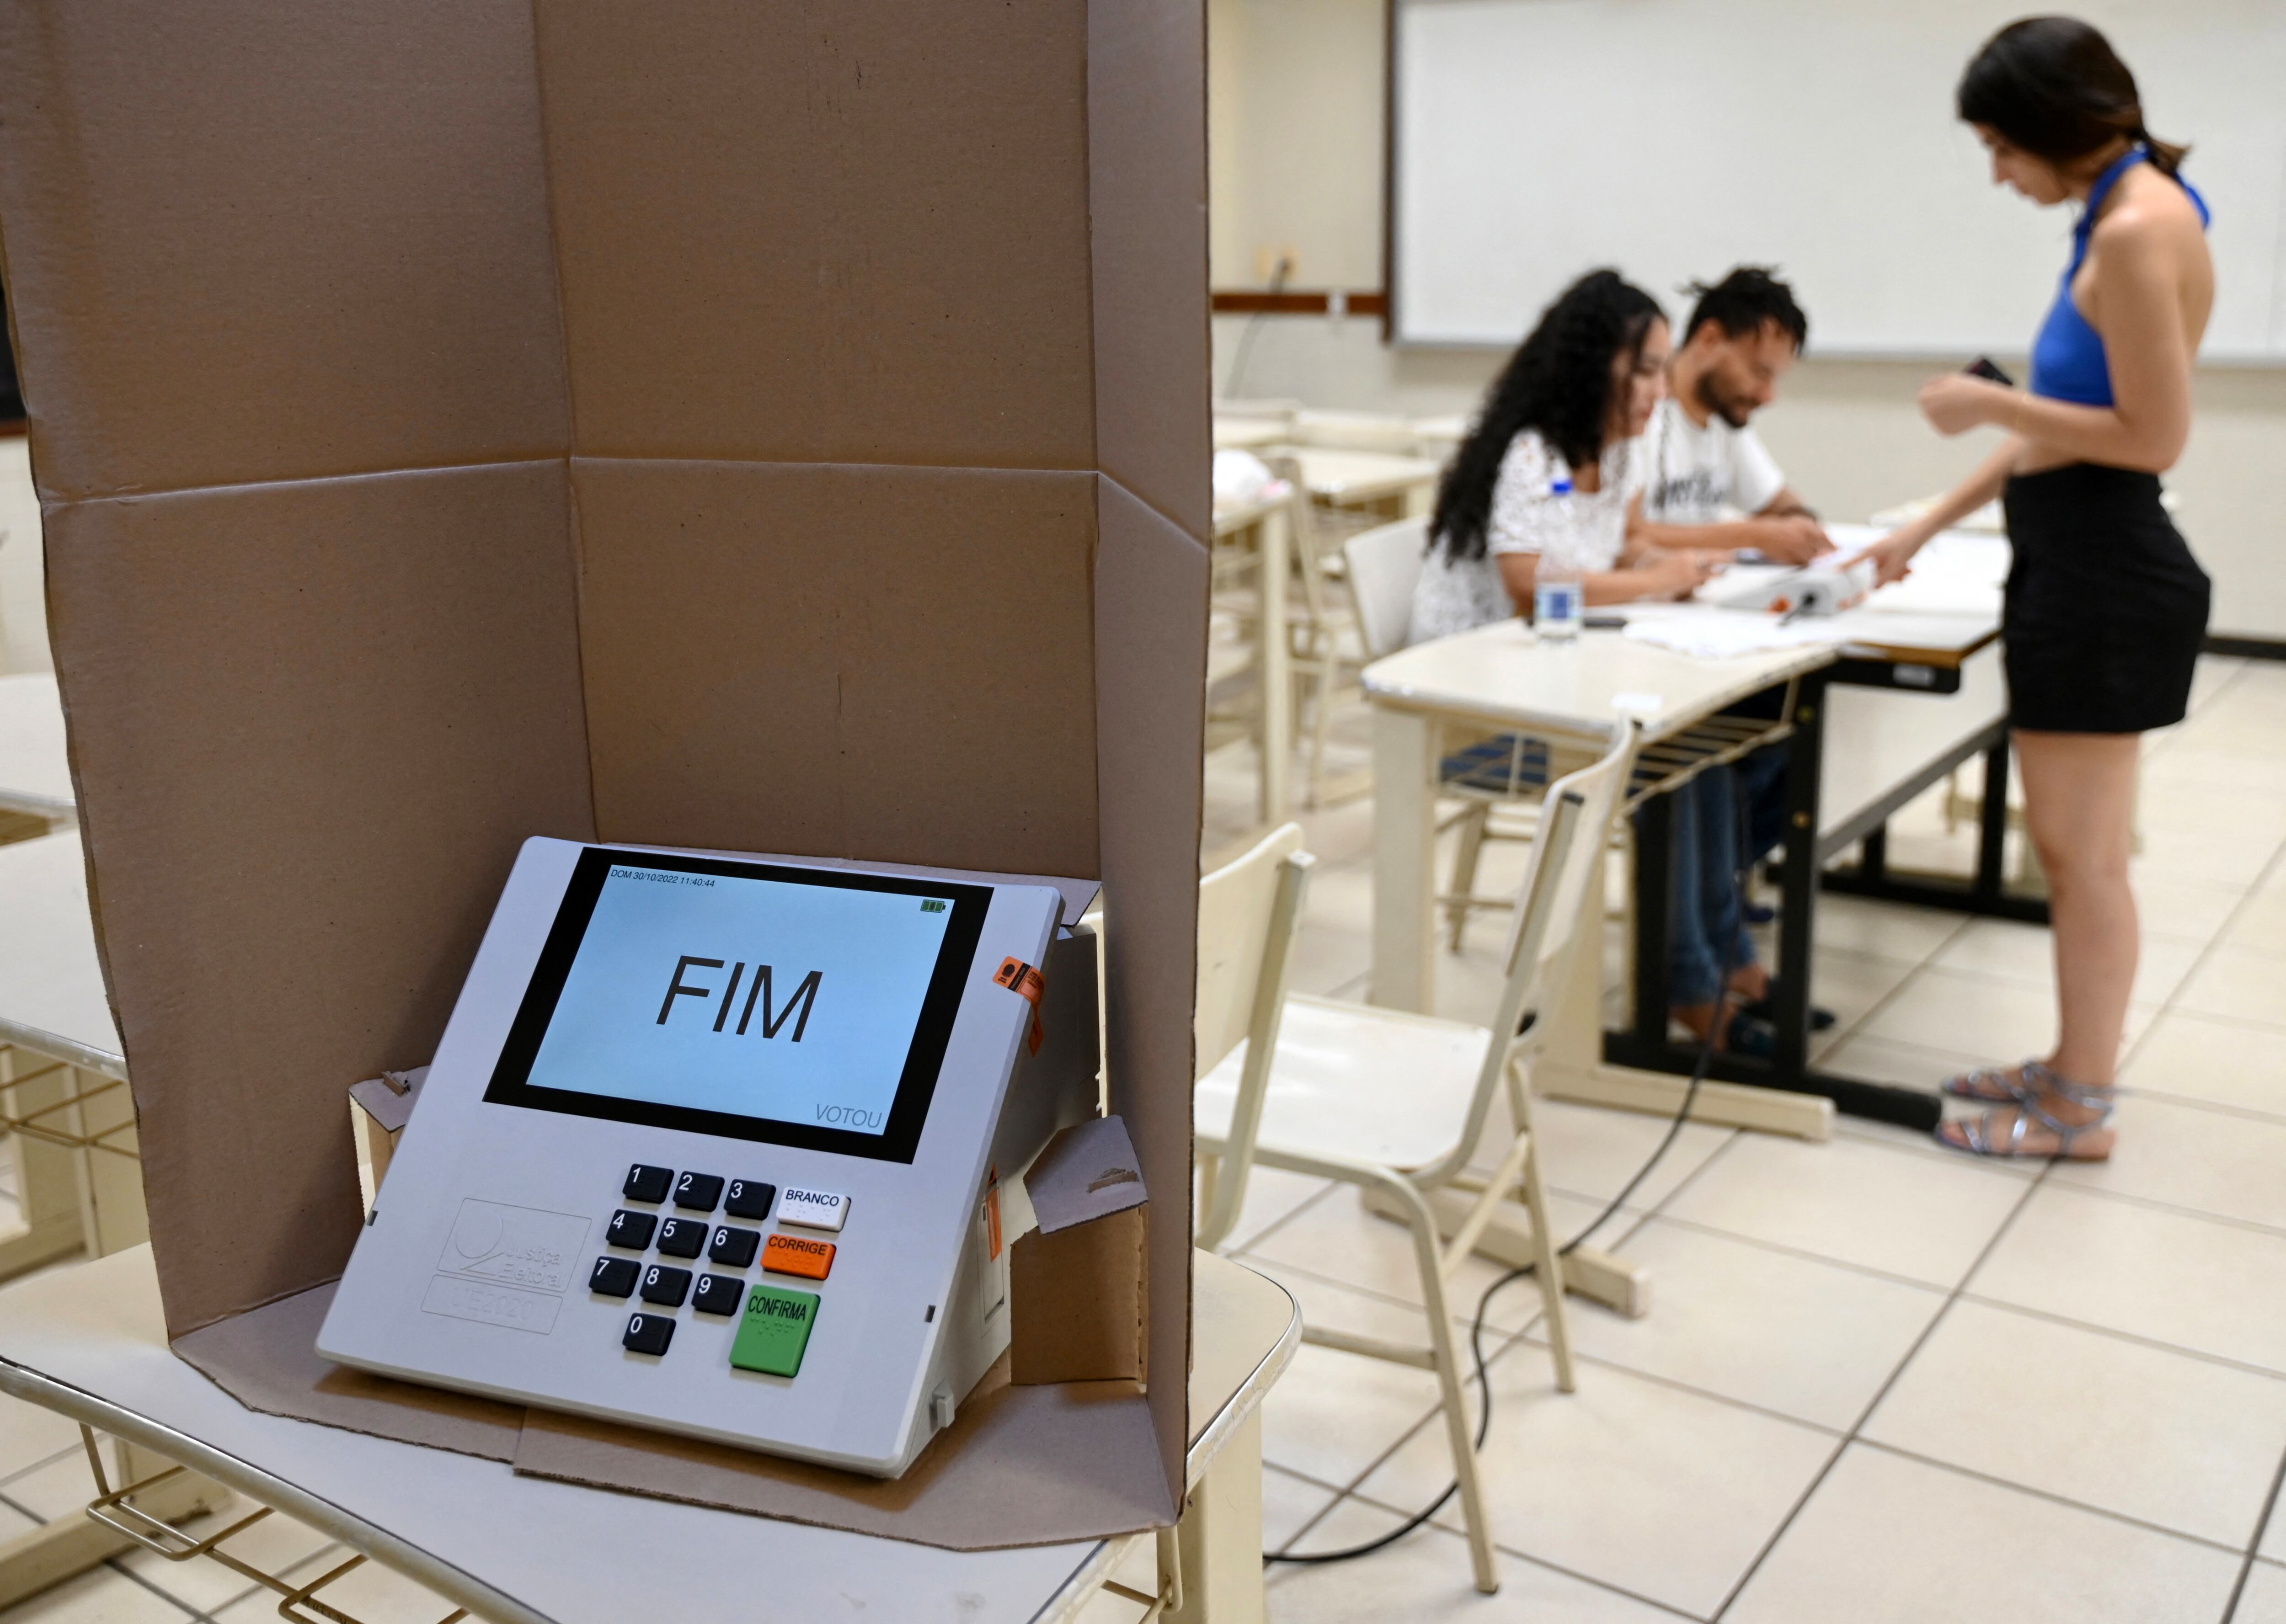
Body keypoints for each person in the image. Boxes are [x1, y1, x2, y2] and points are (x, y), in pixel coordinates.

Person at [1869, 16, 2212, 1161]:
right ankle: (2071, 1069)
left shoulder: (2136, 229)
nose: (1997, 174)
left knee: (2083, 860)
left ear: (2053, 127)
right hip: (2076, 560)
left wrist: (1991, 403)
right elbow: (2070, 429)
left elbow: (2151, 436)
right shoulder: (2122, 209)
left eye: (2000, 148)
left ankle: (2079, 1108)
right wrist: (1926, 522)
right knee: (2076, 854)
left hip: (2102, 572)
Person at [1636, 269, 1835, 1046]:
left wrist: (1796, 526)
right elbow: (1626, 535)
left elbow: (1782, 504)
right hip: (1633, 652)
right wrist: (1752, 534)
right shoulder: (1644, 415)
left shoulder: (1726, 423)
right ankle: (1692, 977)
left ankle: (1728, 958)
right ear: (1710, 338)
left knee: (1754, 745)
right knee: (1694, 758)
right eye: (1759, 371)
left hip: (1688, 638)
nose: (1767, 393)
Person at [1410, 269, 1711, 647]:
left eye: (1664, 373)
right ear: (1593, 369)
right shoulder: (1532, 451)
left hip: (1551, 639)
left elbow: (1618, 542)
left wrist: (1667, 565)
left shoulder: (1624, 451)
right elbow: (1527, 583)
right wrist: (1654, 581)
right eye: (1646, 371)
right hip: (1470, 650)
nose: (1661, 392)